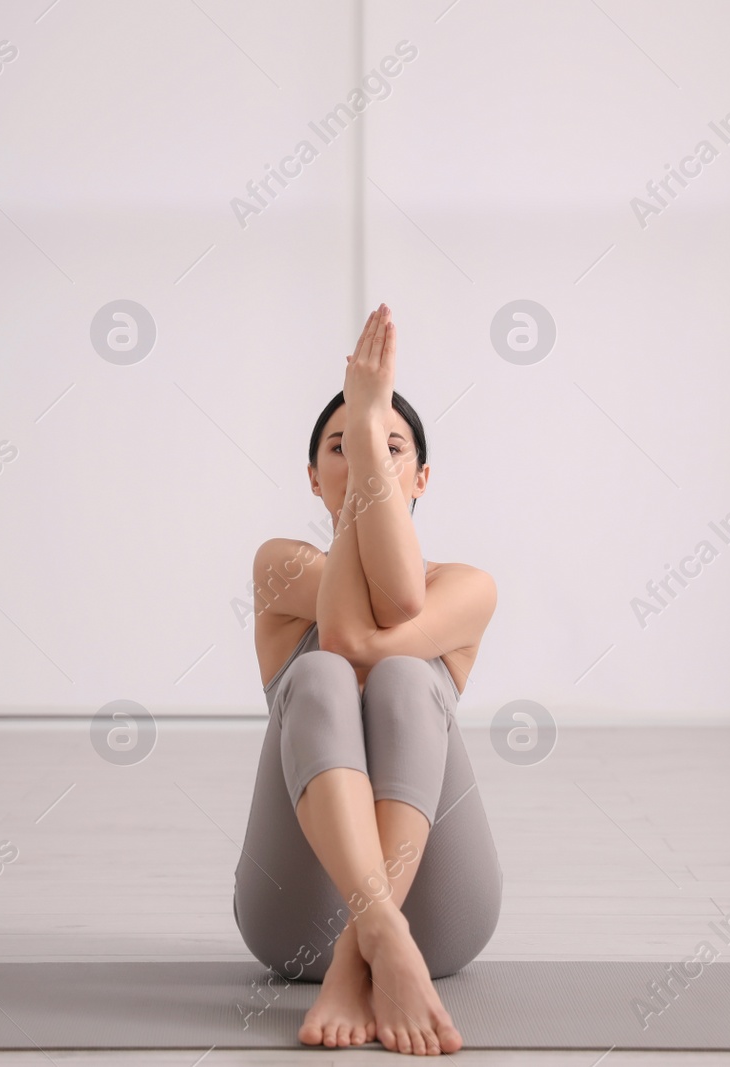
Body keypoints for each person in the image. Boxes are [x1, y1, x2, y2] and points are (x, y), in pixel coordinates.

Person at [232, 304, 502, 1056]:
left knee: (404, 680)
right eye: (343, 445)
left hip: (443, 919)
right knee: (321, 671)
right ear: (314, 474)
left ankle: (364, 950)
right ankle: (377, 926)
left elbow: (388, 617)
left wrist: (365, 433)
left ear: (419, 475)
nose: (363, 458)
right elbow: (345, 635)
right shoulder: (280, 563)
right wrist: (367, 429)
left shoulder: (469, 585)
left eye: (388, 446)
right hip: (290, 920)